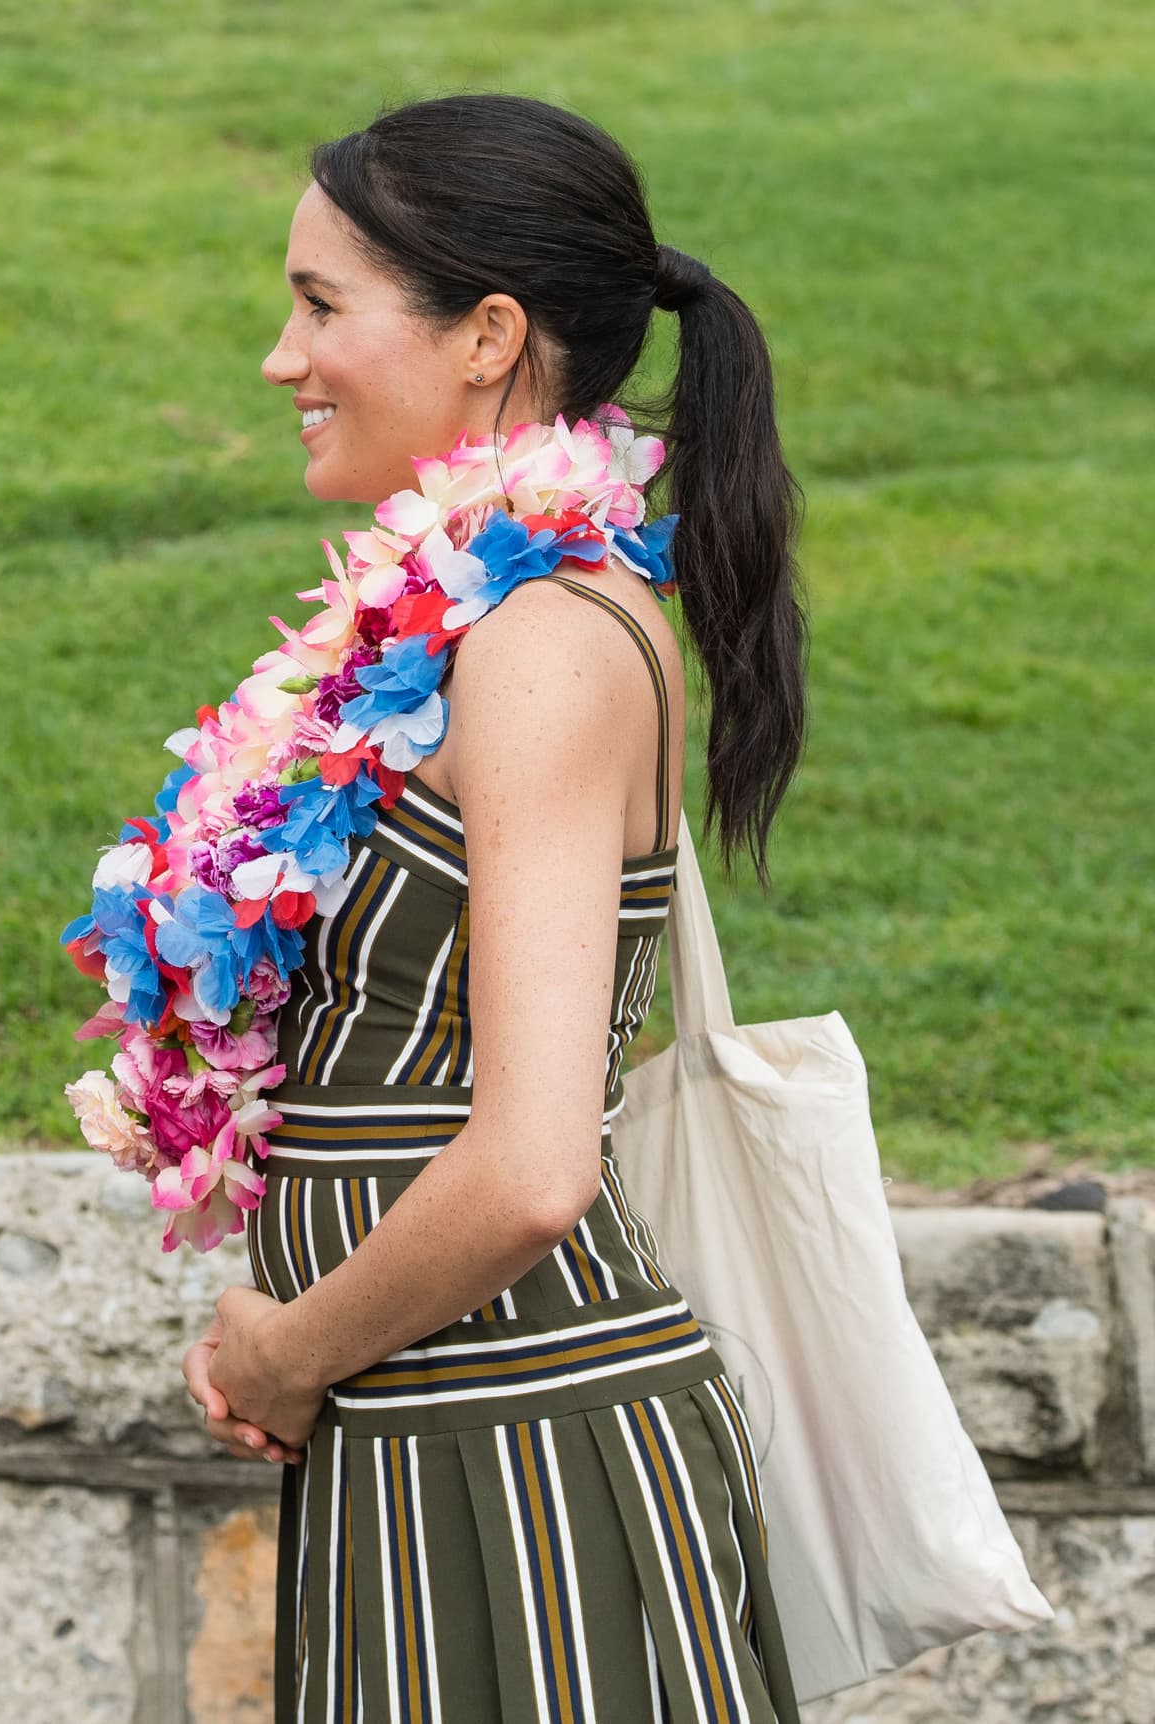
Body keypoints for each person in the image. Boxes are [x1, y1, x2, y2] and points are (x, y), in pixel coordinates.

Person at [182, 92, 808, 1723]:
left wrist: (287, 1353)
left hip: (519, 1457)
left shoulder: (538, 644)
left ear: (489, 336)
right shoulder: (485, 620)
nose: (281, 356)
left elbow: (534, 1167)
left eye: (322, 305)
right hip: (429, 1436)